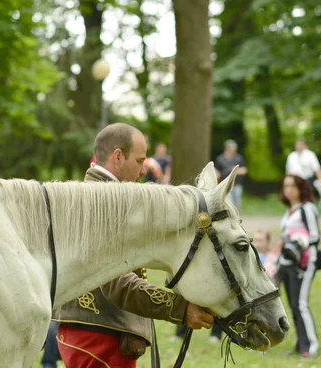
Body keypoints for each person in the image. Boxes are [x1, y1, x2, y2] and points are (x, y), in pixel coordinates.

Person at [52, 123, 214, 368]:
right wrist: (180, 309)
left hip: (103, 334)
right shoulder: (99, 202)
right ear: (118, 156)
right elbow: (116, 282)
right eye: (140, 161)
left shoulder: (104, 196)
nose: (142, 171)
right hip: (97, 338)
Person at [277, 175, 319, 358]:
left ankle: (311, 346)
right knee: (293, 305)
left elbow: (315, 236)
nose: (288, 190)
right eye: (286, 186)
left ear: (300, 188)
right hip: (286, 263)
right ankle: (300, 343)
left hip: (304, 263)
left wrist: (298, 242)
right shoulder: (289, 210)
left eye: (292, 186)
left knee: (301, 304)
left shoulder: (307, 208)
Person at [214, 139, 247, 211]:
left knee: (237, 201)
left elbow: (244, 170)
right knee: (230, 201)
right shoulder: (220, 159)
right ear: (227, 148)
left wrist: (234, 170)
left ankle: (236, 215)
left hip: (237, 184)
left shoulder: (239, 158)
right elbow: (217, 171)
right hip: (226, 184)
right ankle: (231, 215)